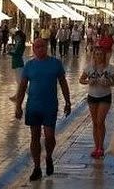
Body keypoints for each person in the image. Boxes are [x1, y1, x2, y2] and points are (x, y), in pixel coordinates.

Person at [14, 37, 72, 181]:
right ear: (33, 49)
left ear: (46, 47)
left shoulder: (55, 64)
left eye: (42, 46)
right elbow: (22, 87)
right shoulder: (29, 65)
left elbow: (63, 83)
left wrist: (68, 101)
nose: (40, 49)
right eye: (37, 47)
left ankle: (49, 156)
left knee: (50, 136)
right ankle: (37, 167)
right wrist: (18, 106)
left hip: (50, 105)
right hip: (33, 106)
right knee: (34, 136)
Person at [79, 43, 114, 158]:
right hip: (92, 96)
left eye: (101, 54)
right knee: (95, 123)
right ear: (94, 56)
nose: (99, 56)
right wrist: (88, 82)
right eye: (97, 54)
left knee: (100, 121)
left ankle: (101, 147)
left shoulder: (110, 68)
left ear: (104, 56)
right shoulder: (89, 67)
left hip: (105, 96)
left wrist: (108, 83)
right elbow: (81, 79)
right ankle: (96, 146)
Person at [8, 28, 27, 102]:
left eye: (16, 36)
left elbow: (17, 54)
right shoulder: (18, 43)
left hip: (18, 63)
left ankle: (30, 94)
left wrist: (9, 52)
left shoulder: (20, 44)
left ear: (19, 36)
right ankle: (17, 96)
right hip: (16, 63)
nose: (15, 37)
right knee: (18, 81)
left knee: (20, 82)